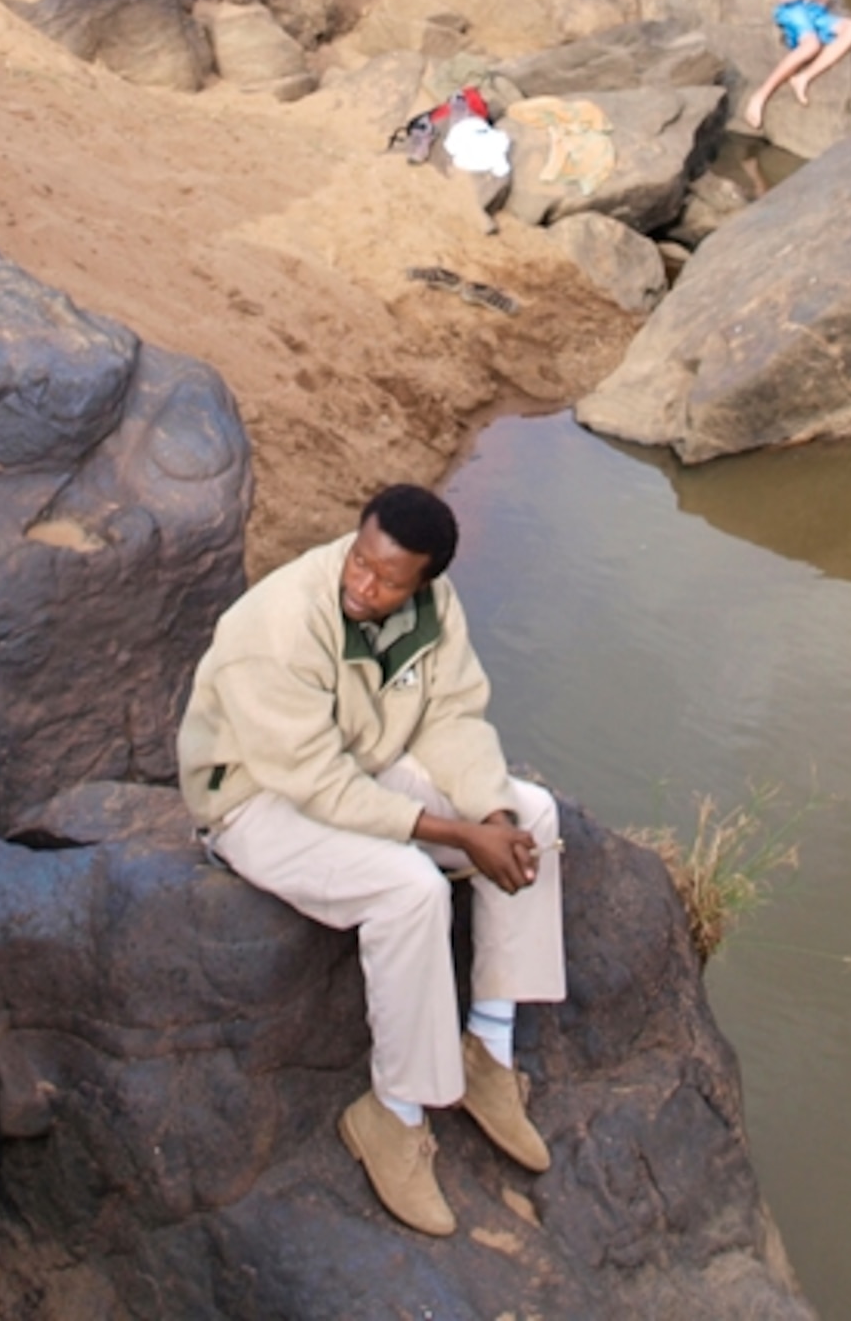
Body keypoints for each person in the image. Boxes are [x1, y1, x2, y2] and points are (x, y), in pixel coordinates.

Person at [177, 484, 564, 1238]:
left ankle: (487, 1045)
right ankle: (392, 1112)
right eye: (360, 561)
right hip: (256, 800)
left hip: (365, 766)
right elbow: (316, 784)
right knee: (410, 890)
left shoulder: (435, 609)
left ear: (423, 581)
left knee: (533, 817)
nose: (364, 583)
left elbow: (453, 716)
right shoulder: (279, 623)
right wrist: (457, 839)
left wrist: (489, 815)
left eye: (387, 579)